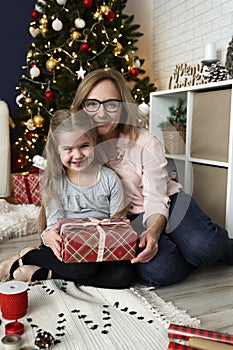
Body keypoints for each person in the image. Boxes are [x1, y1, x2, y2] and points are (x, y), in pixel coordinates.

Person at [70, 68, 233, 287]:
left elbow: (157, 196)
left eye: (111, 104)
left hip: (167, 201)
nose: (101, 113)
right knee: (161, 271)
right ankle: (183, 247)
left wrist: (154, 231)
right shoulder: (78, 147)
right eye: (91, 104)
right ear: (81, 107)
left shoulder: (145, 142)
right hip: (129, 219)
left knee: (204, 246)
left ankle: (213, 244)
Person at [0, 109, 137, 288]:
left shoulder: (109, 179)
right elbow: (53, 226)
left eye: (84, 146)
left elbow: (118, 222)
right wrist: (48, 236)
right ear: (57, 150)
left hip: (101, 245)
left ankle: (43, 271)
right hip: (66, 243)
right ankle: (27, 257)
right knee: (83, 268)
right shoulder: (56, 182)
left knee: (124, 276)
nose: (77, 155)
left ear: (94, 142)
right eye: (68, 149)